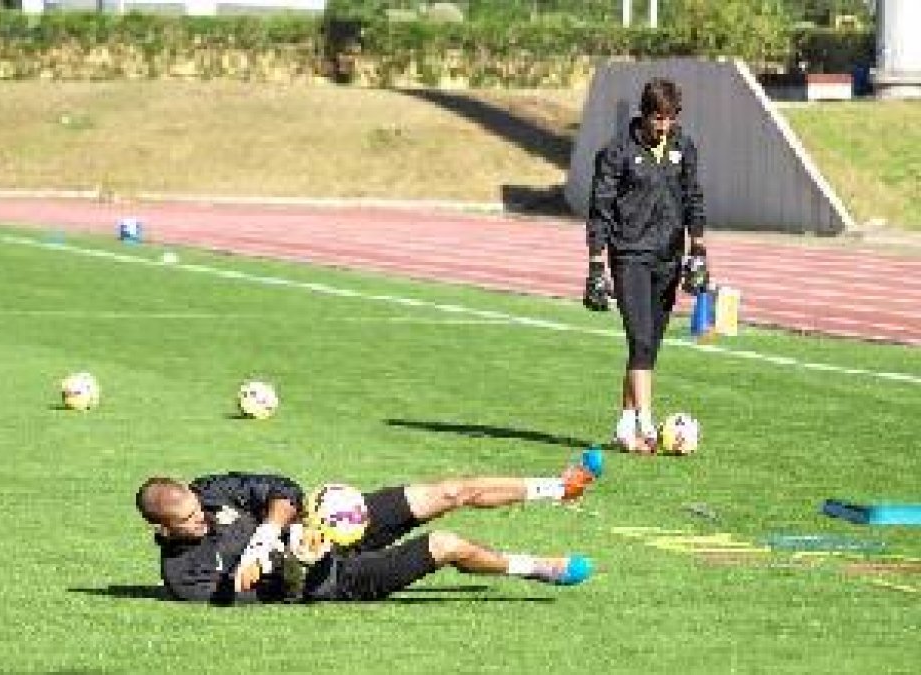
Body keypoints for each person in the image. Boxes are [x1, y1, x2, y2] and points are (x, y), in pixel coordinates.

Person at [134, 448, 603, 604]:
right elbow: (268, 597)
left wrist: (267, 535)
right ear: (164, 530)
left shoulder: (209, 492)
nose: (204, 517)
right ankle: (537, 568)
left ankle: (561, 488)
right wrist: (296, 563)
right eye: (191, 520)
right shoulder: (183, 576)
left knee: (448, 492)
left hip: (331, 526)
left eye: (200, 508)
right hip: (332, 577)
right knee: (446, 544)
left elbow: (281, 489)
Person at [583, 77, 709, 454]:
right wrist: (595, 263)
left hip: (669, 257)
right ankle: (646, 425)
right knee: (639, 339)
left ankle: (624, 424)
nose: (664, 127)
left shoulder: (683, 147)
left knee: (649, 345)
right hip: (629, 255)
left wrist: (698, 248)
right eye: (658, 119)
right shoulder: (617, 151)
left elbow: (693, 197)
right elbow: (600, 208)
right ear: (644, 114)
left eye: (671, 118)